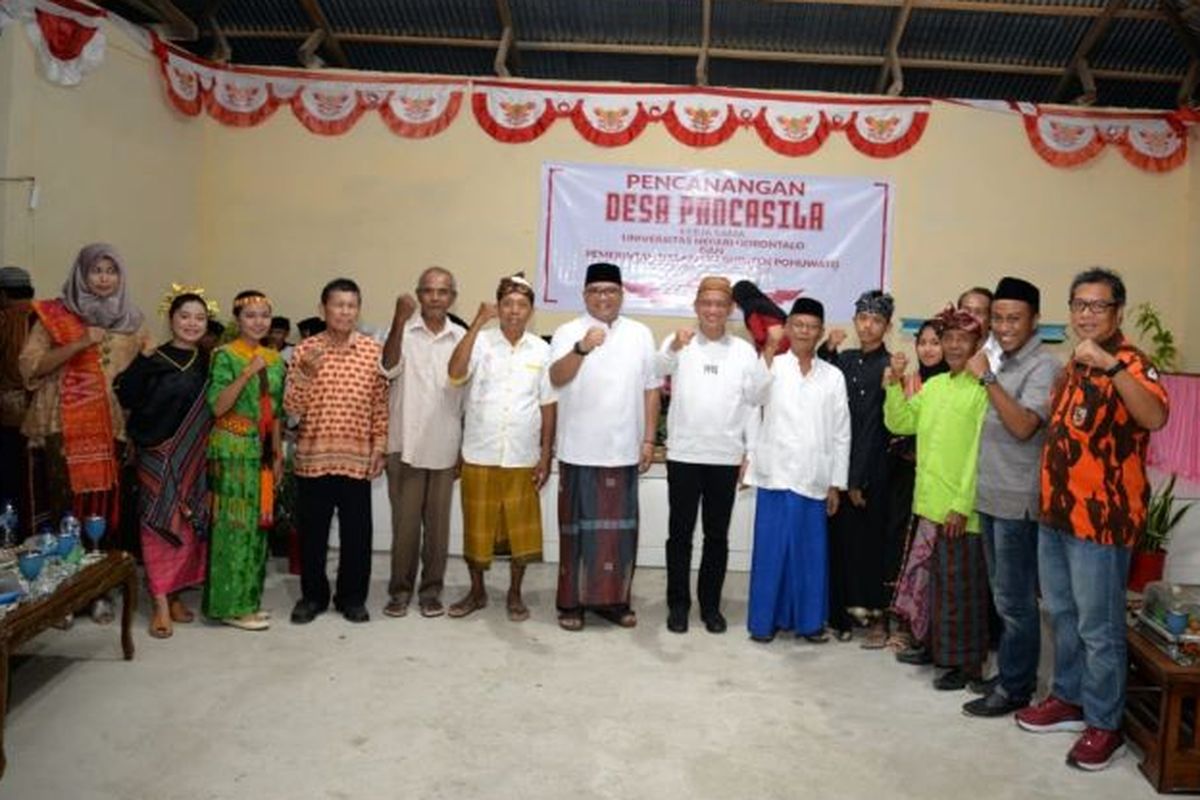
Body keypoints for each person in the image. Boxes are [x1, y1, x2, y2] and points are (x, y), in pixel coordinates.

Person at [1016, 267, 1168, 771]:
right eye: (1079, 305)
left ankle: (1106, 724)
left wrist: (1110, 365)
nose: (1086, 314)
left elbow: (1154, 417)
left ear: (1118, 312)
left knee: (1099, 627)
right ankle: (1070, 699)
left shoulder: (1130, 362)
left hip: (1102, 524)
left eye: (1097, 306)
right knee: (1061, 614)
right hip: (1057, 515)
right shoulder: (1072, 366)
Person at [19, 244, 152, 623]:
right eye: (97, 270)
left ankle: (97, 590)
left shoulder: (133, 321)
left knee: (103, 511)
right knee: (62, 508)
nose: (105, 277)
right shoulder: (54, 316)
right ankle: (57, 593)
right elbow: (29, 367)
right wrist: (78, 343)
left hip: (110, 428)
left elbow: (145, 375)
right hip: (61, 424)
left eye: (112, 270)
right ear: (82, 273)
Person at [961, 277, 1061, 717]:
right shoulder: (999, 359)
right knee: (1001, 597)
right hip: (990, 495)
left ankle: (1017, 687)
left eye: (1013, 318)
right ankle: (1009, 672)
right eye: (997, 317)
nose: (1003, 326)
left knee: (1016, 601)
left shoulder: (1045, 366)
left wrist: (987, 379)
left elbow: (1023, 426)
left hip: (1019, 500)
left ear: (1035, 319)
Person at [549, 262, 661, 631]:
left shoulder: (640, 334)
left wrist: (648, 439)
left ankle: (613, 601)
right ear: (584, 296)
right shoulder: (568, 331)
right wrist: (581, 349)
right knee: (576, 534)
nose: (603, 297)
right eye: (595, 290)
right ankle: (572, 603)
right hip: (578, 447)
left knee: (618, 535)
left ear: (621, 294)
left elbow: (650, 389)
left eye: (610, 290)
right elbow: (556, 378)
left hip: (623, 449)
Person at [884, 306, 990, 690]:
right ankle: (932, 648)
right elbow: (900, 422)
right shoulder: (935, 386)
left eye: (963, 339)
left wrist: (963, 504)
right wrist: (895, 386)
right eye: (949, 338)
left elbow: (980, 452)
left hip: (959, 511)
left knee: (961, 591)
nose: (954, 345)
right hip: (926, 504)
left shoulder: (982, 391)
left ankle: (966, 666)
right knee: (931, 586)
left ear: (976, 343)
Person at [657, 276, 768, 634]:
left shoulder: (743, 352)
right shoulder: (679, 343)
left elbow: (753, 404)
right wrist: (673, 346)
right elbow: (656, 371)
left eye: (721, 304)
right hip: (684, 455)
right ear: (696, 306)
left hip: (725, 457)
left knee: (716, 536)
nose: (713, 310)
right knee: (679, 534)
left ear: (731, 310)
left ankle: (710, 607)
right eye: (707, 302)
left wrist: (750, 451)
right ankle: (678, 605)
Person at [445, 275, 555, 621]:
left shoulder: (541, 349)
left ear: (531, 311)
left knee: (521, 531)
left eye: (522, 305)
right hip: (481, 451)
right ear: (498, 306)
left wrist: (546, 453)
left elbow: (548, 403)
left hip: (522, 455)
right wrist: (477, 322)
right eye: (507, 303)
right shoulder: (480, 341)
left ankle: (514, 594)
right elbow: (454, 373)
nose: (514, 311)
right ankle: (476, 592)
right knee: (477, 528)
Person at [745, 298, 850, 643]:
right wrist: (769, 350)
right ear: (788, 327)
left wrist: (836, 483)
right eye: (798, 325)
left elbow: (841, 432)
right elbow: (753, 396)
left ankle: (809, 623)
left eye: (812, 326)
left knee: (809, 554)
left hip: (813, 476)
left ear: (820, 332)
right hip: (775, 473)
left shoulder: (832, 376)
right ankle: (764, 622)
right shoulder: (772, 365)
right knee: (771, 552)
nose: (805, 331)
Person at [285, 279, 389, 624]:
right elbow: (291, 408)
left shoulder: (373, 351)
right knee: (312, 534)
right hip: (314, 458)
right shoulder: (306, 351)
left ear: (358, 310)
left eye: (351, 305)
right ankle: (312, 596)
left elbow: (380, 406)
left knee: (357, 534)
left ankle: (352, 598)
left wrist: (380, 447)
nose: (345, 311)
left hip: (357, 458)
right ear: (323, 309)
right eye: (338, 304)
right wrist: (305, 375)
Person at [115, 290, 214, 639]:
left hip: (194, 460)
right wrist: (141, 360)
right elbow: (125, 395)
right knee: (157, 526)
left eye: (199, 318)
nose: (191, 323)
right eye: (185, 316)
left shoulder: (208, 363)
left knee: (187, 529)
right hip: (157, 456)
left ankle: (173, 595)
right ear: (171, 318)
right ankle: (159, 603)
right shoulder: (152, 359)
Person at [380, 267, 465, 619]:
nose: (434, 297)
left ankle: (431, 591)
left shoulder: (461, 337)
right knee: (405, 526)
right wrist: (399, 320)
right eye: (428, 291)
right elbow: (387, 367)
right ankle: (399, 591)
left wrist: (464, 447)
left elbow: (468, 397)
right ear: (418, 294)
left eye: (442, 291)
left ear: (452, 298)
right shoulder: (402, 332)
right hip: (405, 444)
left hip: (444, 446)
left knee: (438, 528)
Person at [204, 290, 285, 631]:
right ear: (238, 321)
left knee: (257, 527)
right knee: (233, 527)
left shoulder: (275, 357)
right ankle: (229, 604)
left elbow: (277, 411)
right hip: (233, 448)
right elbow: (218, 406)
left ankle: (248, 600)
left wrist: (279, 455)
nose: (258, 321)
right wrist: (248, 372)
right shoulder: (225, 355)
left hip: (263, 449)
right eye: (250, 315)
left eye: (264, 315)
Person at [821, 290, 895, 646]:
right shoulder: (844, 360)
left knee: (870, 545)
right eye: (863, 318)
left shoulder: (889, 367)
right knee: (840, 544)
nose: (868, 325)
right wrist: (827, 348)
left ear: (887, 326)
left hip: (871, 471)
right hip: (837, 467)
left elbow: (872, 426)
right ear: (855, 321)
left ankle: (877, 620)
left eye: (876, 320)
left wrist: (858, 478)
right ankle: (840, 615)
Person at [887, 320, 947, 656]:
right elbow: (897, 425)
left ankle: (929, 631)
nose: (928, 349)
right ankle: (909, 625)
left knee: (932, 558)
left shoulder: (952, 383)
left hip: (938, 482)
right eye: (922, 342)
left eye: (935, 342)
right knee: (905, 548)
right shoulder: (911, 381)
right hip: (906, 476)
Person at [0, 266, 34, 540]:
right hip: (45, 419)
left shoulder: (4, 319)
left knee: (9, 481)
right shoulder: (47, 318)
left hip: (8, 419)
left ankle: (9, 537)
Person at [959, 287, 1001, 372]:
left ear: (990, 320)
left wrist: (986, 375)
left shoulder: (1004, 353)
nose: (971, 317)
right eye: (966, 311)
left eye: (978, 312)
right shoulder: (944, 346)